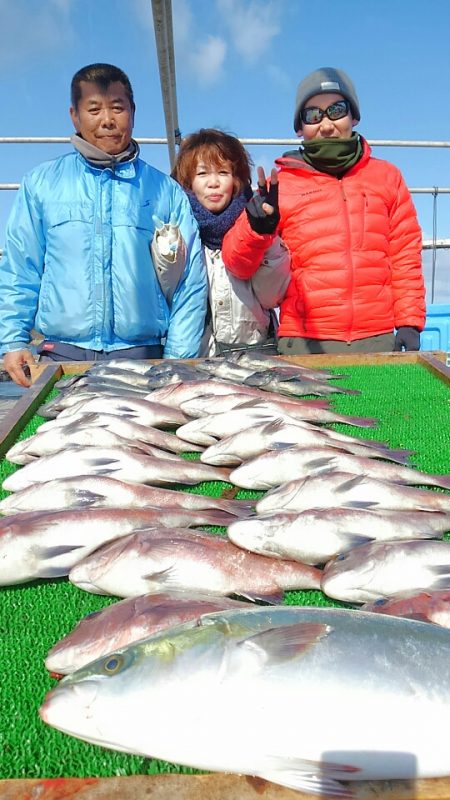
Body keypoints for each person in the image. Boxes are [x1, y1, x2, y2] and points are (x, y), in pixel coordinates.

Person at [0, 63, 207, 387]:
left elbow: (188, 281)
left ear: (133, 112)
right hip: (60, 359)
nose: (107, 120)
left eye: (117, 108)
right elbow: (19, 268)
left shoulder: (164, 191)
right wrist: (12, 340)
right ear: (75, 116)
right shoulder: (41, 185)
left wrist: (178, 361)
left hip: (144, 359)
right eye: (94, 109)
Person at [222, 67, 426, 355]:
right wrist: (256, 229)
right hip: (302, 343)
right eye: (313, 115)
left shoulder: (387, 177)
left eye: (336, 110)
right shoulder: (280, 185)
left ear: (353, 116)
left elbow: (405, 254)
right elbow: (235, 263)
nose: (326, 124)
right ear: (299, 128)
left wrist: (409, 321)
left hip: (377, 339)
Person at [171, 128, 290, 356]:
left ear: (237, 180)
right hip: (197, 364)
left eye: (223, 172)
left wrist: (265, 236)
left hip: (255, 360)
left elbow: (272, 296)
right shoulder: (177, 230)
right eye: (202, 173)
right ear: (186, 181)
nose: (213, 183)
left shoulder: (255, 222)